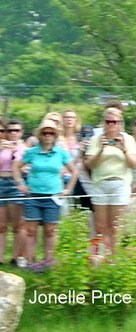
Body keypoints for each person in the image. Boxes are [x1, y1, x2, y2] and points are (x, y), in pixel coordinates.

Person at [13, 115, 77, 272]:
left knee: (50, 230)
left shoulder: (61, 153)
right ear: (39, 135)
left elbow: (74, 171)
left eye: (51, 133)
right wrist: (20, 184)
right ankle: (31, 262)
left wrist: (67, 189)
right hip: (33, 195)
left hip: (53, 196)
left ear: (56, 135)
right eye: (45, 133)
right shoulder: (32, 152)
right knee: (31, 230)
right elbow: (16, 167)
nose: (48, 136)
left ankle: (48, 261)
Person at [84, 107, 136, 254]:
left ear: (120, 123)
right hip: (100, 183)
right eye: (108, 121)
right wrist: (101, 149)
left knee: (115, 226)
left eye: (115, 122)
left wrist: (123, 149)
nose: (111, 125)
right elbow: (90, 164)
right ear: (104, 123)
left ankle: (114, 258)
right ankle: (98, 256)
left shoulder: (128, 139)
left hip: (120, 183)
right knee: (100, 226)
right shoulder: (96, 139)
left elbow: (133, 164)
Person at [0, 119, 27, 267]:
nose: (12, 133)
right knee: (1, 225)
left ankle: (17, 257)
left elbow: (25, 167)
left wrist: (15, 151)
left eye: (16, 130)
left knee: (18, 225)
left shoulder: (24, 148)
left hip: (15, 183)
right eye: (9, 130)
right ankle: (0, 257)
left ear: (21, 132)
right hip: (1, 182)